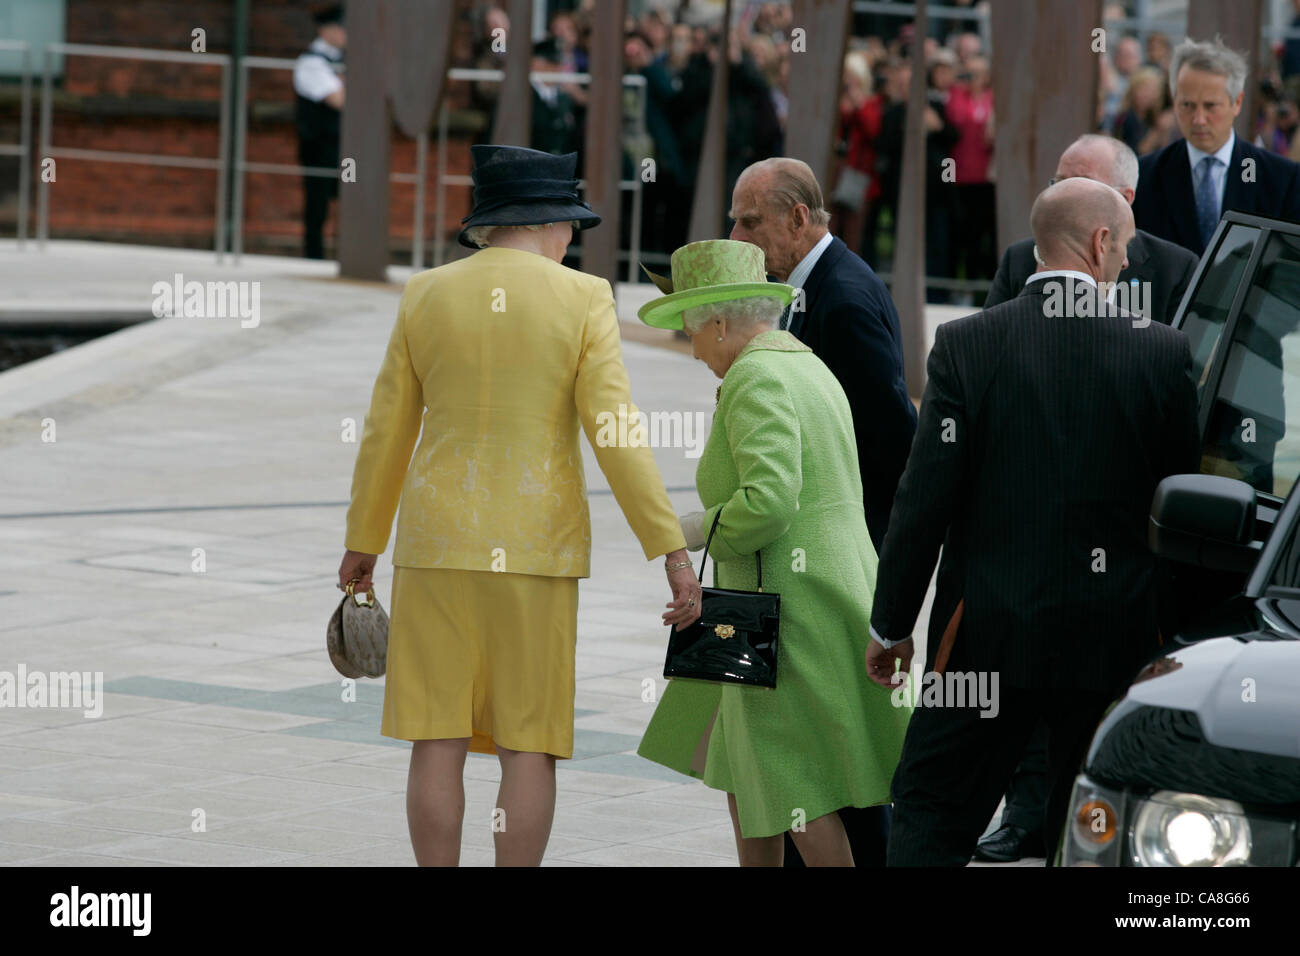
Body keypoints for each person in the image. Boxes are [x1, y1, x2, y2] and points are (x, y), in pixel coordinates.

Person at [339, 145, 701, 867]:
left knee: (436, 738)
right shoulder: (584, 297)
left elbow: (387, 429)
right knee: (527, 743)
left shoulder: (425, 294)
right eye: (572, 224)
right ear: (551, 222)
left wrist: (364, 540)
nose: (573, 240)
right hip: (537, 548)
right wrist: (669, 546)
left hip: (435, 544)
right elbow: (616, 431)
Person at [866, 178, 1201, 866]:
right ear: (1100, 242)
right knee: (1093, 828)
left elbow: (922, 501)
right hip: (1111, 641)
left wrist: (890, 626)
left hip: (985, 634)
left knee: (931, 812)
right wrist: (1176, 640)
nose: (1131, 263)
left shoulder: (967, 345)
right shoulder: (1163, 353)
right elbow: (1178, 513)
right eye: (1127, 245)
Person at [634, 239, 911, 867]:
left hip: (780, 610)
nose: (693, 346)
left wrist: (691, 528)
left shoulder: (754, 375)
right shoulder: (806, 364)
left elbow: (768, 502)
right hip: (816, 595)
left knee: (793, 787)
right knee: (747, 774)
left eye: (692, 330)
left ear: (722, 322)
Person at [728, 156, 916, 867]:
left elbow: (890, 437)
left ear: (798, 218)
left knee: (829, 751)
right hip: (802, 566)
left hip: (824, 563)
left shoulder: (840, 297)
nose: (743, 236)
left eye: (752, 221)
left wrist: (863, 556)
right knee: (792, 748)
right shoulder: (812, 288)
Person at [986, 135, 1197, 327]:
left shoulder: (1174, 269)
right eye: (1059, 183)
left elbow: (1180, 361)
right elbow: (988, 344)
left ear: (1125, 198)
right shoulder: (1021, 259)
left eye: (1081, 183)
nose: (1063, 194)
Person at [1132, 37, 1300, 256]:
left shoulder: (1282, 179)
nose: (1199, 119)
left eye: (1211, 106)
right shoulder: (1144, 176)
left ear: (1237, 103)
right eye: (1187, 105)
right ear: (1174, 102)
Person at [293, 4, 346, 260]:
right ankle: (314, 258)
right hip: (319, 144)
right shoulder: (311, 62)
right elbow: (338, 99)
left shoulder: (346, 59)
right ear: (326, 30)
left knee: (350, 202)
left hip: (345, 147)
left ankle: (345, 255)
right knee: (317, 205)